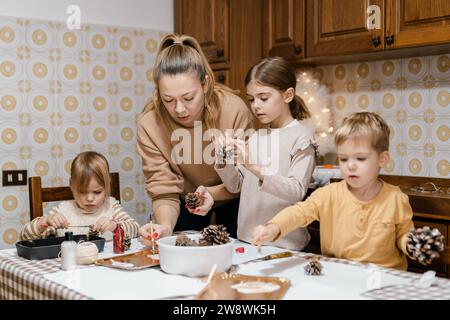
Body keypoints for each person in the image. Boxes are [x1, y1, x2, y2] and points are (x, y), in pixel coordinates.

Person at [252, 112, 415, 270]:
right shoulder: (328, 194)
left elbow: (404, 235)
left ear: (382, 159)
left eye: (360, 158)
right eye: (344, 159)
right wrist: (274, 227)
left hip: (384, 280)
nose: (350, 165)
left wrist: (412, 244)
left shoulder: (396, 198)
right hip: (338, 274)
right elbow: (299, 212)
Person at [137, 33, 254, 243]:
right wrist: (164, 227)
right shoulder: (149, 124)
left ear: (205, 84)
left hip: (234, 197)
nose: (179, 109)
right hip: (184, 203)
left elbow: (246, 177)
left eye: (189, 98)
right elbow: (163, 189)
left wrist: (212, 194)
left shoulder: (234, 110)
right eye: (168, 99)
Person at [193, 57, 317, 250]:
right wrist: (222, 159)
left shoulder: (302, 137)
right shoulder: (256, 137)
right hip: (247, 240)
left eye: (264, 98)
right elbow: (236, 186)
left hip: (286, 245)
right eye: (251, 99)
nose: (256, 105)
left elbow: (296, 192)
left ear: (288, 95)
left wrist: (255, 168)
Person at [20, 151, 140, 241]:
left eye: (97, 192)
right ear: (72, 185)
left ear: (107, 186)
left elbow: (136, 229)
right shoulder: (63, 211)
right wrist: (45, 221)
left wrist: (115, 226)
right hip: (72, 270)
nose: (89, 198)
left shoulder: (111, 207)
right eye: (82, 192)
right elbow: (24, 237)